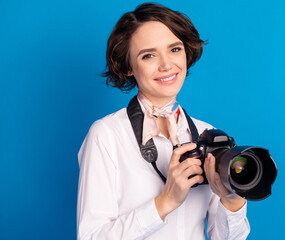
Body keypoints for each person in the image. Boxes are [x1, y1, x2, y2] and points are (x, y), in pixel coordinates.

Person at [77, 3, 250, 240]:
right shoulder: (107, 134)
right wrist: (165, 201)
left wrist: (232, 199)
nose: (167, 65)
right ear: (129, 66)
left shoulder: (207, 134)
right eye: (148, 55)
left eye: (175, 49)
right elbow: (90, 237)